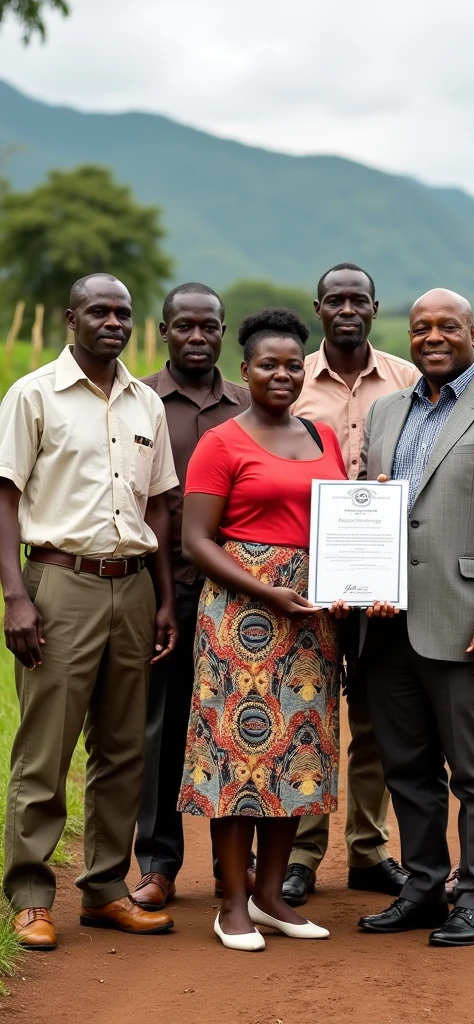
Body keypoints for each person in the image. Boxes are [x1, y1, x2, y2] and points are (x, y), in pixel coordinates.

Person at [357, 288, 474, 946]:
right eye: (420, 328)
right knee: (406, 767)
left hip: (473, 625)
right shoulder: (386, 412)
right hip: (386, 625)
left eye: (447, 326)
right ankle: (421, 885)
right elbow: (374, 510)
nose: (432, 336)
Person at [0, 274, 178, 951]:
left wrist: (163, 599)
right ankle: (31, 895)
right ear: (71, 318)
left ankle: (105, 889)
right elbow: (5, 496)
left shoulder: (145, 404)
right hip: (59, 582)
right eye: (99, 311)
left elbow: (157, 505)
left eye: (123, 313)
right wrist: (17, 595)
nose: (113, 321)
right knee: (46, 747)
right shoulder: (33, 395)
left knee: (123, 748)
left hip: (131, 586)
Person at [178, 308, 349, 951]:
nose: (281, 374)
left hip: (311, 617)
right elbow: (197, 541)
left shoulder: (322, 436)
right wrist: (267, 591)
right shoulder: (221, 441)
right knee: (237, 759)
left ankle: (273, 894)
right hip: (243, 616)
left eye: (292, 365)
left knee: (296, 754)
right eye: (267, 365)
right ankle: (232, 901)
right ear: (243, 371)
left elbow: (338, 520)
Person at [287, 262, 418, 906]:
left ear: (374, 306)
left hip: (385, 578)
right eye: (334, 299)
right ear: (318, 309)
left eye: (357, 299)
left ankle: (368, 852)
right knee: (311, 715)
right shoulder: (291, 380)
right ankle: (303, 856)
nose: (346, 308)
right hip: (305, 575)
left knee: (375, 719)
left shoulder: (407, 379)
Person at [131, 283, 250, 912]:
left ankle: (242, 866)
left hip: (242, 597)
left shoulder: (249, 405)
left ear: (223, 332)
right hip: (165, 587)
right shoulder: (139, 400)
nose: (198, 337)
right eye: (185, 327)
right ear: (164, 330)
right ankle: (158, 862)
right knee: (164, 727)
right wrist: (159, 598)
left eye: (209, 327)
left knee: (243, 728)